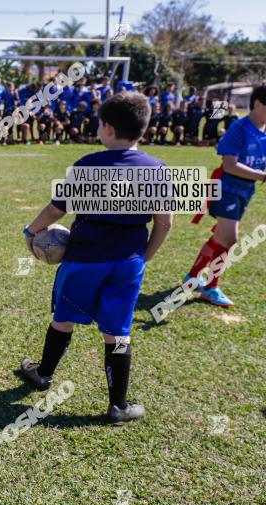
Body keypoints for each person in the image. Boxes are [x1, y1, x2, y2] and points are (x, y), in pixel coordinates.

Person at [19, 92, 173, 425]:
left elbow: (57, 209)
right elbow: (165, 222)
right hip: (128, 259)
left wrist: (31, 232)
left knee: (64, 316)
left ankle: (43, 373)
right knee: (118, 331)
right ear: (143, 130)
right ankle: (118, 405)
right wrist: (143, 257)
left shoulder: (88, 164)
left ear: (106, 127)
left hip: (85, 256)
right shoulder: (156, 169)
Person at [184, 85, 266, 307]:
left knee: (221, 236)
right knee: (229, 238)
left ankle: (192, 277)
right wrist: (262, 176)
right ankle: (210, 287)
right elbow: (229, 165)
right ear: (258, 103)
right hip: (227, 188)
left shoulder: (264, 131)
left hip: (246, 190)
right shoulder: (239, 128)